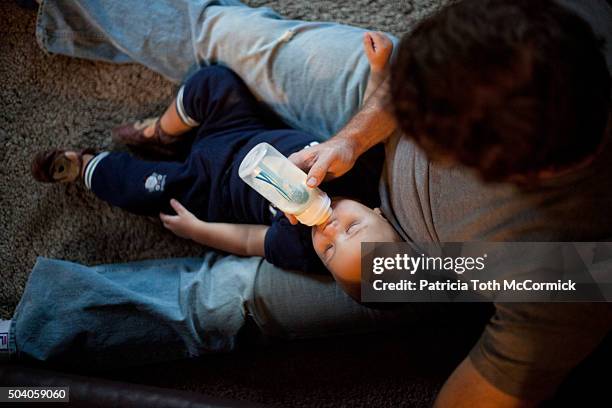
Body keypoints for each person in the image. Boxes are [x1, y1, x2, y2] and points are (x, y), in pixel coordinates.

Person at [7, 0, 612, 406]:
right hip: (381, 123)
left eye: (430, 140)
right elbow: (397, 90)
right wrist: (356, 133)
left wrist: (373, 272)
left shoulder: (568, 269)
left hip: (402, 249)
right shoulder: (572, 24)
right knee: (231, 39)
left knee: (220, 303)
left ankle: (26, 346)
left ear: (522, 174)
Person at [31, 48, 399, 297]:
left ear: (324, 266)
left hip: (209, 187)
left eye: (331, 251)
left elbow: (247, 241)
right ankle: (161, 131)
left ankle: (85, 166)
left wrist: (199, 231)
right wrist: (378, 69)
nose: (330, 230)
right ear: (377, 210)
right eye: (352, 227)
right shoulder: (363, 173)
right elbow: (360, 128)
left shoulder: (300, 248)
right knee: (215, 83)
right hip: (241, 132)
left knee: (146, 189)